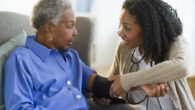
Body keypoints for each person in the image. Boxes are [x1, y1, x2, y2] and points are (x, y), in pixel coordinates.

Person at [3, 0, 169, 110]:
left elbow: (99, 84)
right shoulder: (21, 60)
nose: (75, 32)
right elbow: (19, 108)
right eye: (70, 25)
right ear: (49, 28)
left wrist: (141, 85)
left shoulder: (70, 57)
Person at [108, 0, 195, 110]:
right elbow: (112, 85)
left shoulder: (175, 42)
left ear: (148, 28)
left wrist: (128, 80)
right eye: (120, 25)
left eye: (127, 28)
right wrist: (141, 86)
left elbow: (182, 66)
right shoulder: (123, 48)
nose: (120, 33)